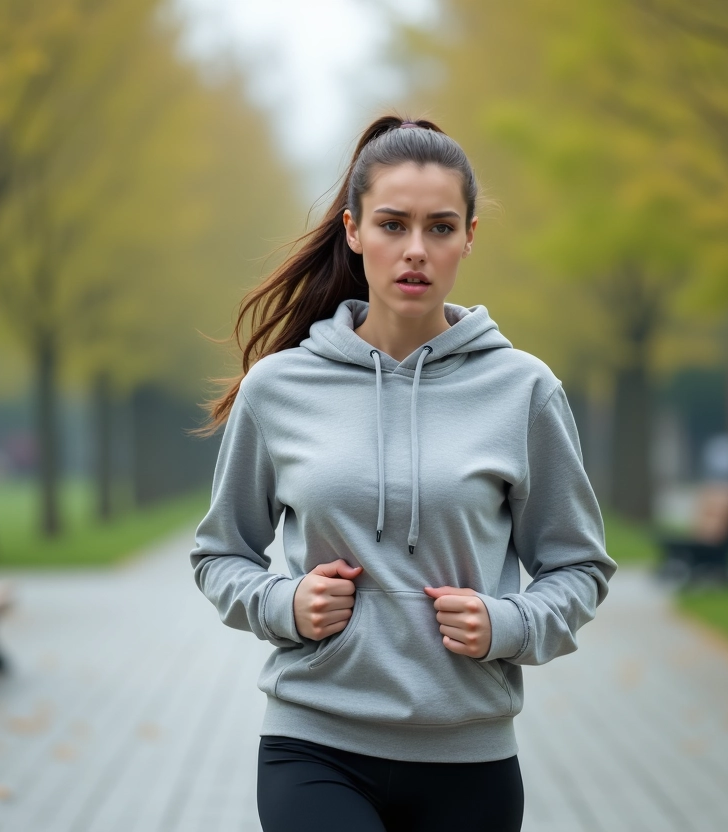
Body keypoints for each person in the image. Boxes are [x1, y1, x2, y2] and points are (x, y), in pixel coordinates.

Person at [189, 115, 617, 832]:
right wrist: (285, 605)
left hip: (470, 759)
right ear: (354, 231)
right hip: (315, 744)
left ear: (470, 237)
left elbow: (578, 566)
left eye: (441, 228)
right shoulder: (280, 387)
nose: (416, 250)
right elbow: (220, 554)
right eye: (393, 225)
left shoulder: (523, 389)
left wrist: (508, 624)